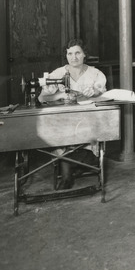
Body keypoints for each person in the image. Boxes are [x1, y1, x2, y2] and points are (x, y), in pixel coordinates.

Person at [38, 38, 107, 188]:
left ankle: (68, 173)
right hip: (65, 120)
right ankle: (69, 173)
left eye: (77, 53)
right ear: (66, 55)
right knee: (59, 133)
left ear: (84, 55)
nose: (73, 57)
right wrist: (60, 95)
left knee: (85, 138)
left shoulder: (95, 74)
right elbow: (42, 97)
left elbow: (104, 95)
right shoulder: (58, 73)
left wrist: (94, 92)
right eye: (70, 53)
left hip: (87, 120)